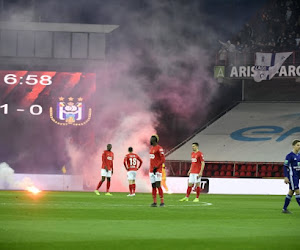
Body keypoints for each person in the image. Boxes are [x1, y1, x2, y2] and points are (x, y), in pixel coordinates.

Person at [282, 139, 300, 213]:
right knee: (297, 191)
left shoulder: (299, 155)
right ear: (293, 146)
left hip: (297, 176)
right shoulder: (289, 156)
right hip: (292, 176)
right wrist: (286, 177)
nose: (299, 146)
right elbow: (285, 166)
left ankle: (284, 209)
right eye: (298, 145)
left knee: (291, 192)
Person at [149, 135, 165, 207]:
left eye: (151, 139)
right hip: (151, 170)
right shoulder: (151, 148)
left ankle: (162, 202)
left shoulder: (159, 148)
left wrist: (157, 166)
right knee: (153, 186)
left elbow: (163, 159)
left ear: (154, 140)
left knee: (158, 185)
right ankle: (154, 202)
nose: (150, 140)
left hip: (157, 170)